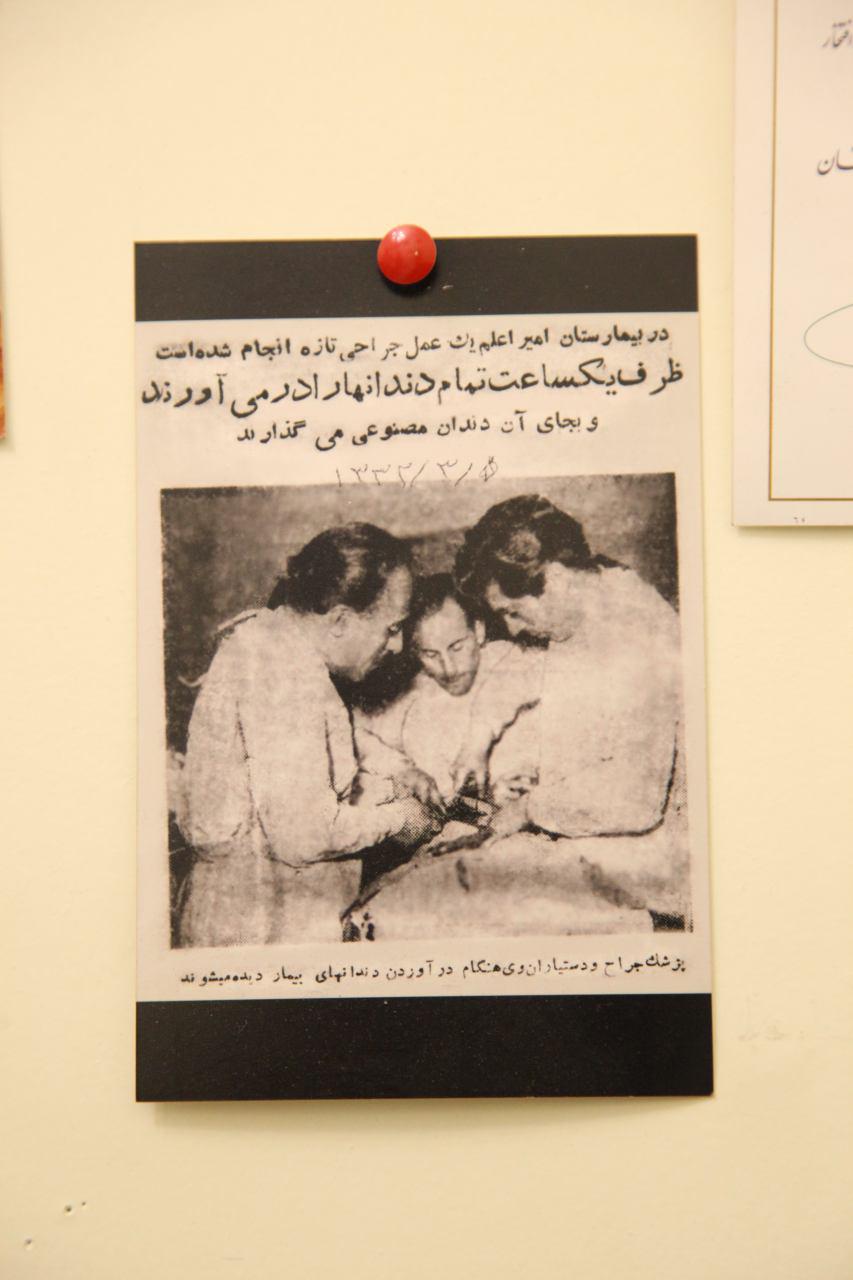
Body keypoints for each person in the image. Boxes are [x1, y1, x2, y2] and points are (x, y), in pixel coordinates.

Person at [176, 523, 439, 947]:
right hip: (260, 930)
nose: (396, 645)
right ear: (340, 621)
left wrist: (387, 789)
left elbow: (288, 789)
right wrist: (400, 818)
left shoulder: (272, 642)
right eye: (392, 628)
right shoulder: (286, 677)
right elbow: (304, 835)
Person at [454, 493, 688, 919]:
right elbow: (519, 671)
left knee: (479, 901)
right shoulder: (592, 592)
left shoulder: (637, 633)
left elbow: (631, 803)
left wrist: (529, 809)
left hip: (653, 861)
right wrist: (476, 741)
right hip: (595, 833)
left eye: (513, 612)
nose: (512, 628)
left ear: (556, 578)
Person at [355, 573, 543, 808]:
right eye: (430, 654)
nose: (449, 668)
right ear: (414, 652)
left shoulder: (513, 659)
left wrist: (477, 743)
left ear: (479, 631)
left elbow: (517, 682)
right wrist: (402, 770)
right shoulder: (412, 694)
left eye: (456, 647)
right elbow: (351, 732)